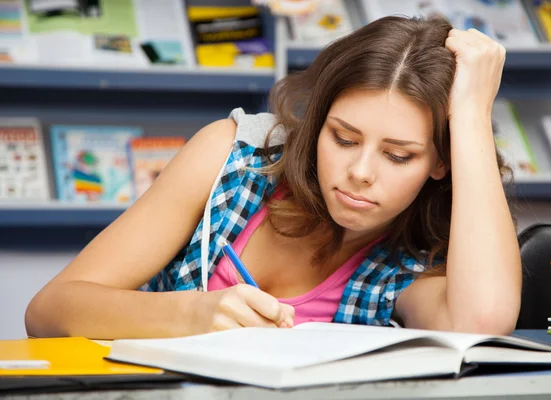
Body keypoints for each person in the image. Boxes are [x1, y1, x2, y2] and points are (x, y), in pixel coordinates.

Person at [25, 15, 522, 339]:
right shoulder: (233, 159)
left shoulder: (412, 261)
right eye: (343, 138)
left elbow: (482, 322)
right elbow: (49, 311)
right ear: (318, 122)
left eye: (398, 156)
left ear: (441, 162)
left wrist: (473, 115)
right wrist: (193, 316)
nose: (360, 172)